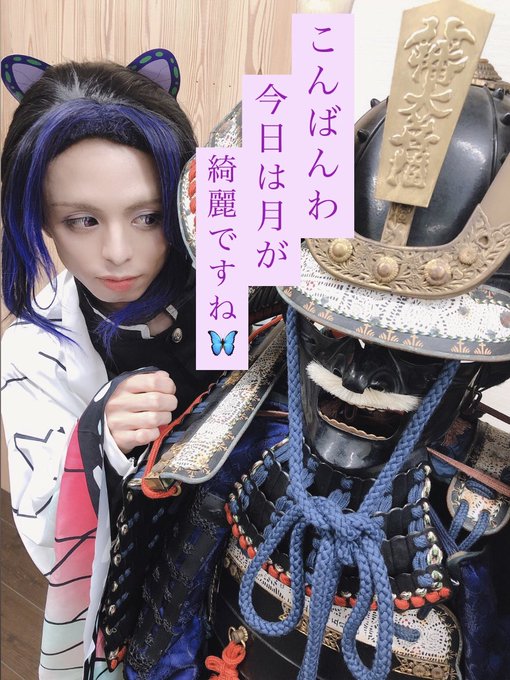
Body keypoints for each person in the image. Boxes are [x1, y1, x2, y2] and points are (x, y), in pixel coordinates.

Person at [1, 50, 221, 678]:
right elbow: (48, 539)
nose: (118, 252)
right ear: (42, 220)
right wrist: (98, 437)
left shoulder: (235, 283)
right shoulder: (33, 352)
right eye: (82, 221)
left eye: (149, 216)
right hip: (143, 601)